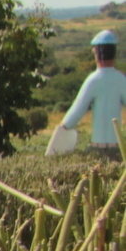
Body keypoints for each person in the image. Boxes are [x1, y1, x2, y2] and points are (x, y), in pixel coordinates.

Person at [53, 28, 126, 160]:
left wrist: (63, 127)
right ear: (114, 53)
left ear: (96, 53)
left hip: (97, 150)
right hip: (119, 149)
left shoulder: (93, 80)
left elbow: (76, 112)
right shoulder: (121, 79)